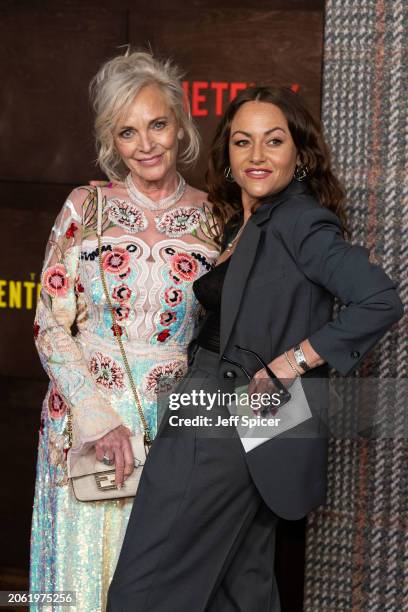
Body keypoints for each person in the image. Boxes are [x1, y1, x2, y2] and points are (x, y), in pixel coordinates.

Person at [107, 86, 404, 611]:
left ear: (300, 153)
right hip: (250, 412)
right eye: (243, 142)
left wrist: (294, 361)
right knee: (239, 588)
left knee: (143, 590)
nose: (258, 156)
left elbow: (379, 298)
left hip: (225, 409)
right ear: (227, 154)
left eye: (274, 141)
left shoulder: (299, 220)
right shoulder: (243, 222)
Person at [30, 50, 219, 611]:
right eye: (128, 131)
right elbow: (48, 324)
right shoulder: (84, 208)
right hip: (87, 424)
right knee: (81, 583)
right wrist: (96, 417)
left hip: (168, 431)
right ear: (112, 141)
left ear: (180, 124)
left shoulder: (217, 219)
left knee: (156, 587)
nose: (147, 144)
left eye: (158, 124)